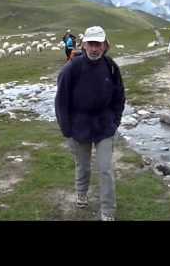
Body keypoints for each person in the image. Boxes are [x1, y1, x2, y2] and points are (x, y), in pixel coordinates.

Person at [55, 26, 125, 221]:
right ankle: (81, 193)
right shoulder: (71, 68)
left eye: (98, 44)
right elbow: (61, 101)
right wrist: (66, 130)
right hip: (79, 125)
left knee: (105, 169)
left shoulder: (111, 66)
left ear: (105, 45)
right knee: (83, 166)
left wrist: (115, 120)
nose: (95, 49)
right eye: (91, 44)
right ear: (84, 44)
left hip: (104, 125)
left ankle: (108, 210)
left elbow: (119, 95)